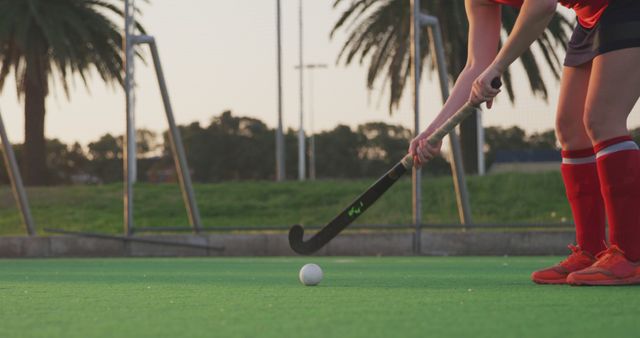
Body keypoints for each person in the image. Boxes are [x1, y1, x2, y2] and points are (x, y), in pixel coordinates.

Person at [409, 0, 640, 286]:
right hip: (591, 18)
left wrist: (498, 65)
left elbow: (542, 6)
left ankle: (630, 256)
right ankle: (591, 251)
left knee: (602, 118)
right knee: (570, 129)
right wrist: (434, 132)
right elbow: (475, 66)